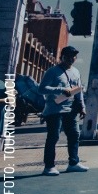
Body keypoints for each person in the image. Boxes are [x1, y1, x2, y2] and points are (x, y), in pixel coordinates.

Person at [38, 46, 88, 176]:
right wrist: (60, 89)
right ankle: (49, 166)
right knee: (53, 137)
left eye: (74, 57)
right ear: (62, 57)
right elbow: (42, 89)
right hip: (55, 109)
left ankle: (73, 163)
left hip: (71, 109)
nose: (72, 59)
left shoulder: (76, 72)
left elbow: (78, 90)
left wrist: (82, 106)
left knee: (74, 135)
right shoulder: (52, 71)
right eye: (69, 56)